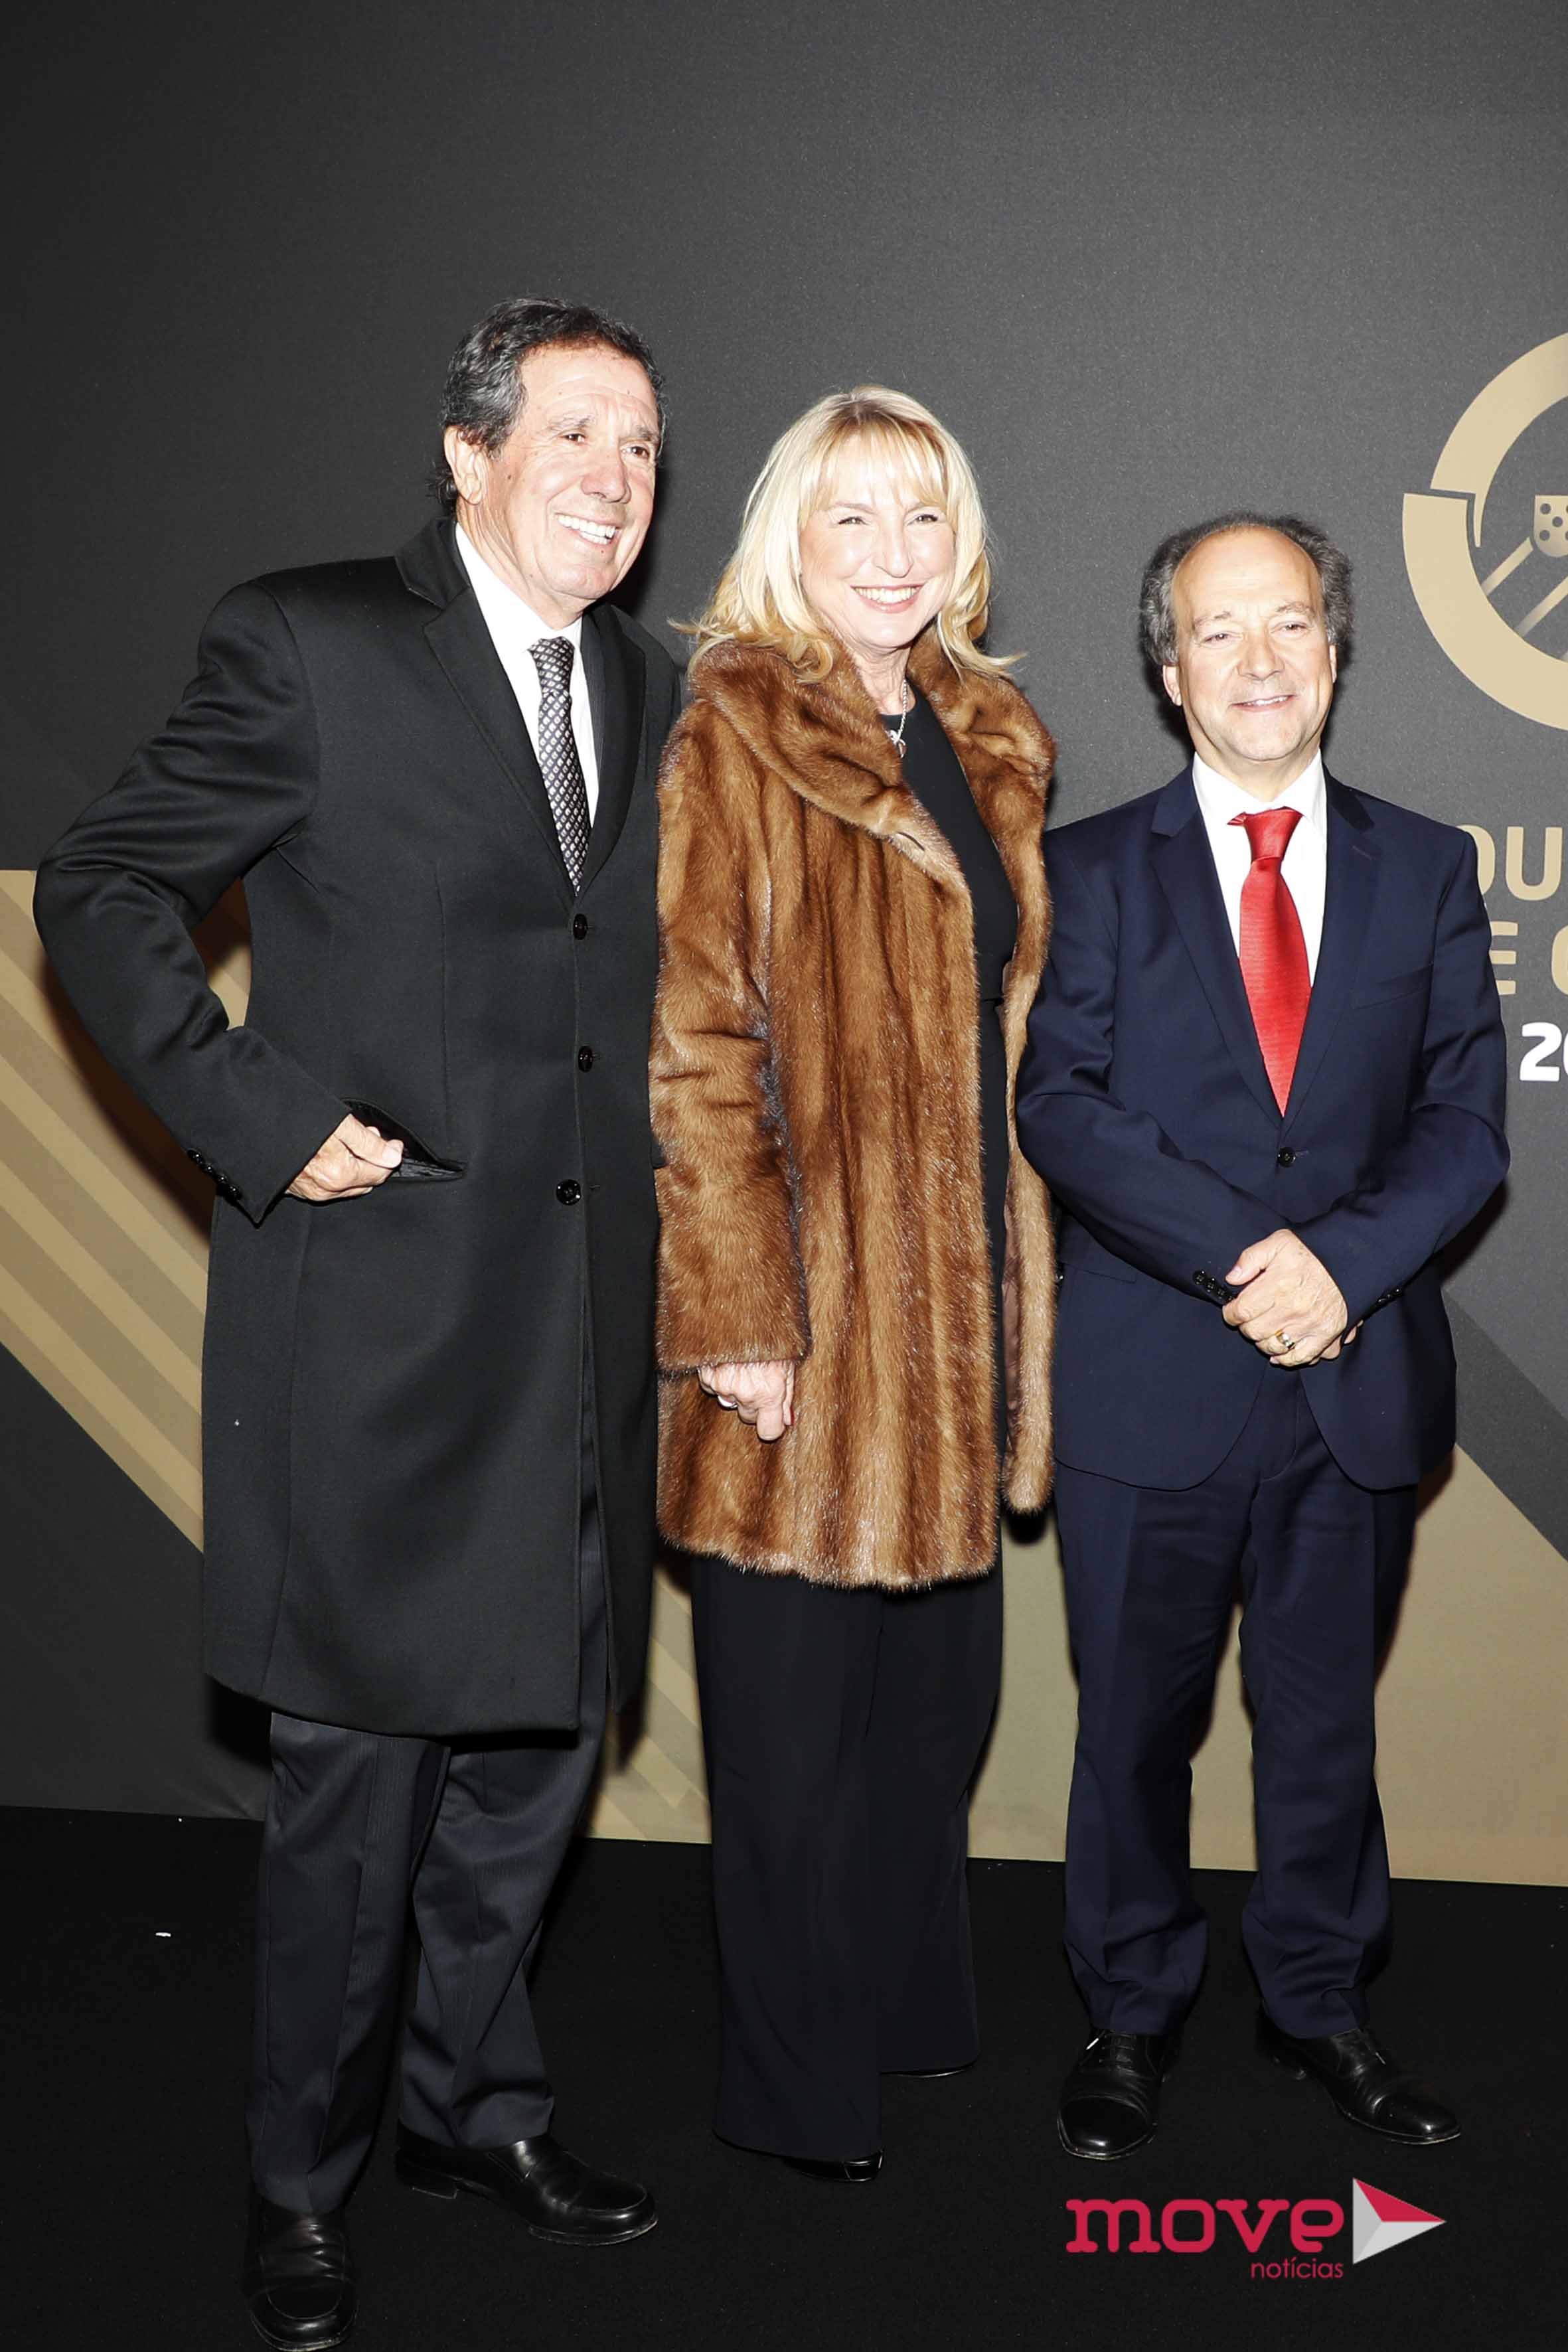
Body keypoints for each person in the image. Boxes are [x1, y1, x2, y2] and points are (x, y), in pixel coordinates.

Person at [34, 295, 681, 2349]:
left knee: (535, 1764)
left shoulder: (654, 685)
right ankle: (297, 2184)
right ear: (468, 454)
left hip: (583, 1343)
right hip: (386, 1338)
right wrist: (255, 1110)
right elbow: (104, 887)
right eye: (574, 433)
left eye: (642, 447)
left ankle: (473, 2111)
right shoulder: (309, 642)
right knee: (356, 1797)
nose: (613, 478)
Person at [1016, 512, 1508, 2159]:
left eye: (1286, 621)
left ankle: (1315, 1998)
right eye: (1216, 630)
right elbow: (1060, 1105)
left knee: (1322, 1727)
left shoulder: (1425, 866)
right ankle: (1127, 2004)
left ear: (1333, 649)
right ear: (1168, 671)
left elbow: (1462, 1124)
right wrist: (1252, 1259)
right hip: (1148, 1380)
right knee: (1129, 1730)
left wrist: (1338, 1270)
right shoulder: (1089, 869)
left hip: (1351, 1382)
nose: (1255, 658)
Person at [650, 387, 1057, 2182]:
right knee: (789, 1749)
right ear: (789, 544)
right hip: (806, 1327)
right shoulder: (736, 726)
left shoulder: (995, 732)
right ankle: (793, 2095)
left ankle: (905, 2016)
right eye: (851, 520)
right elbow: (693, 1042)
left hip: (958, 1321)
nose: (892, 555)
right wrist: (740, 1317)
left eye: (921, 517)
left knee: (932, 1715)